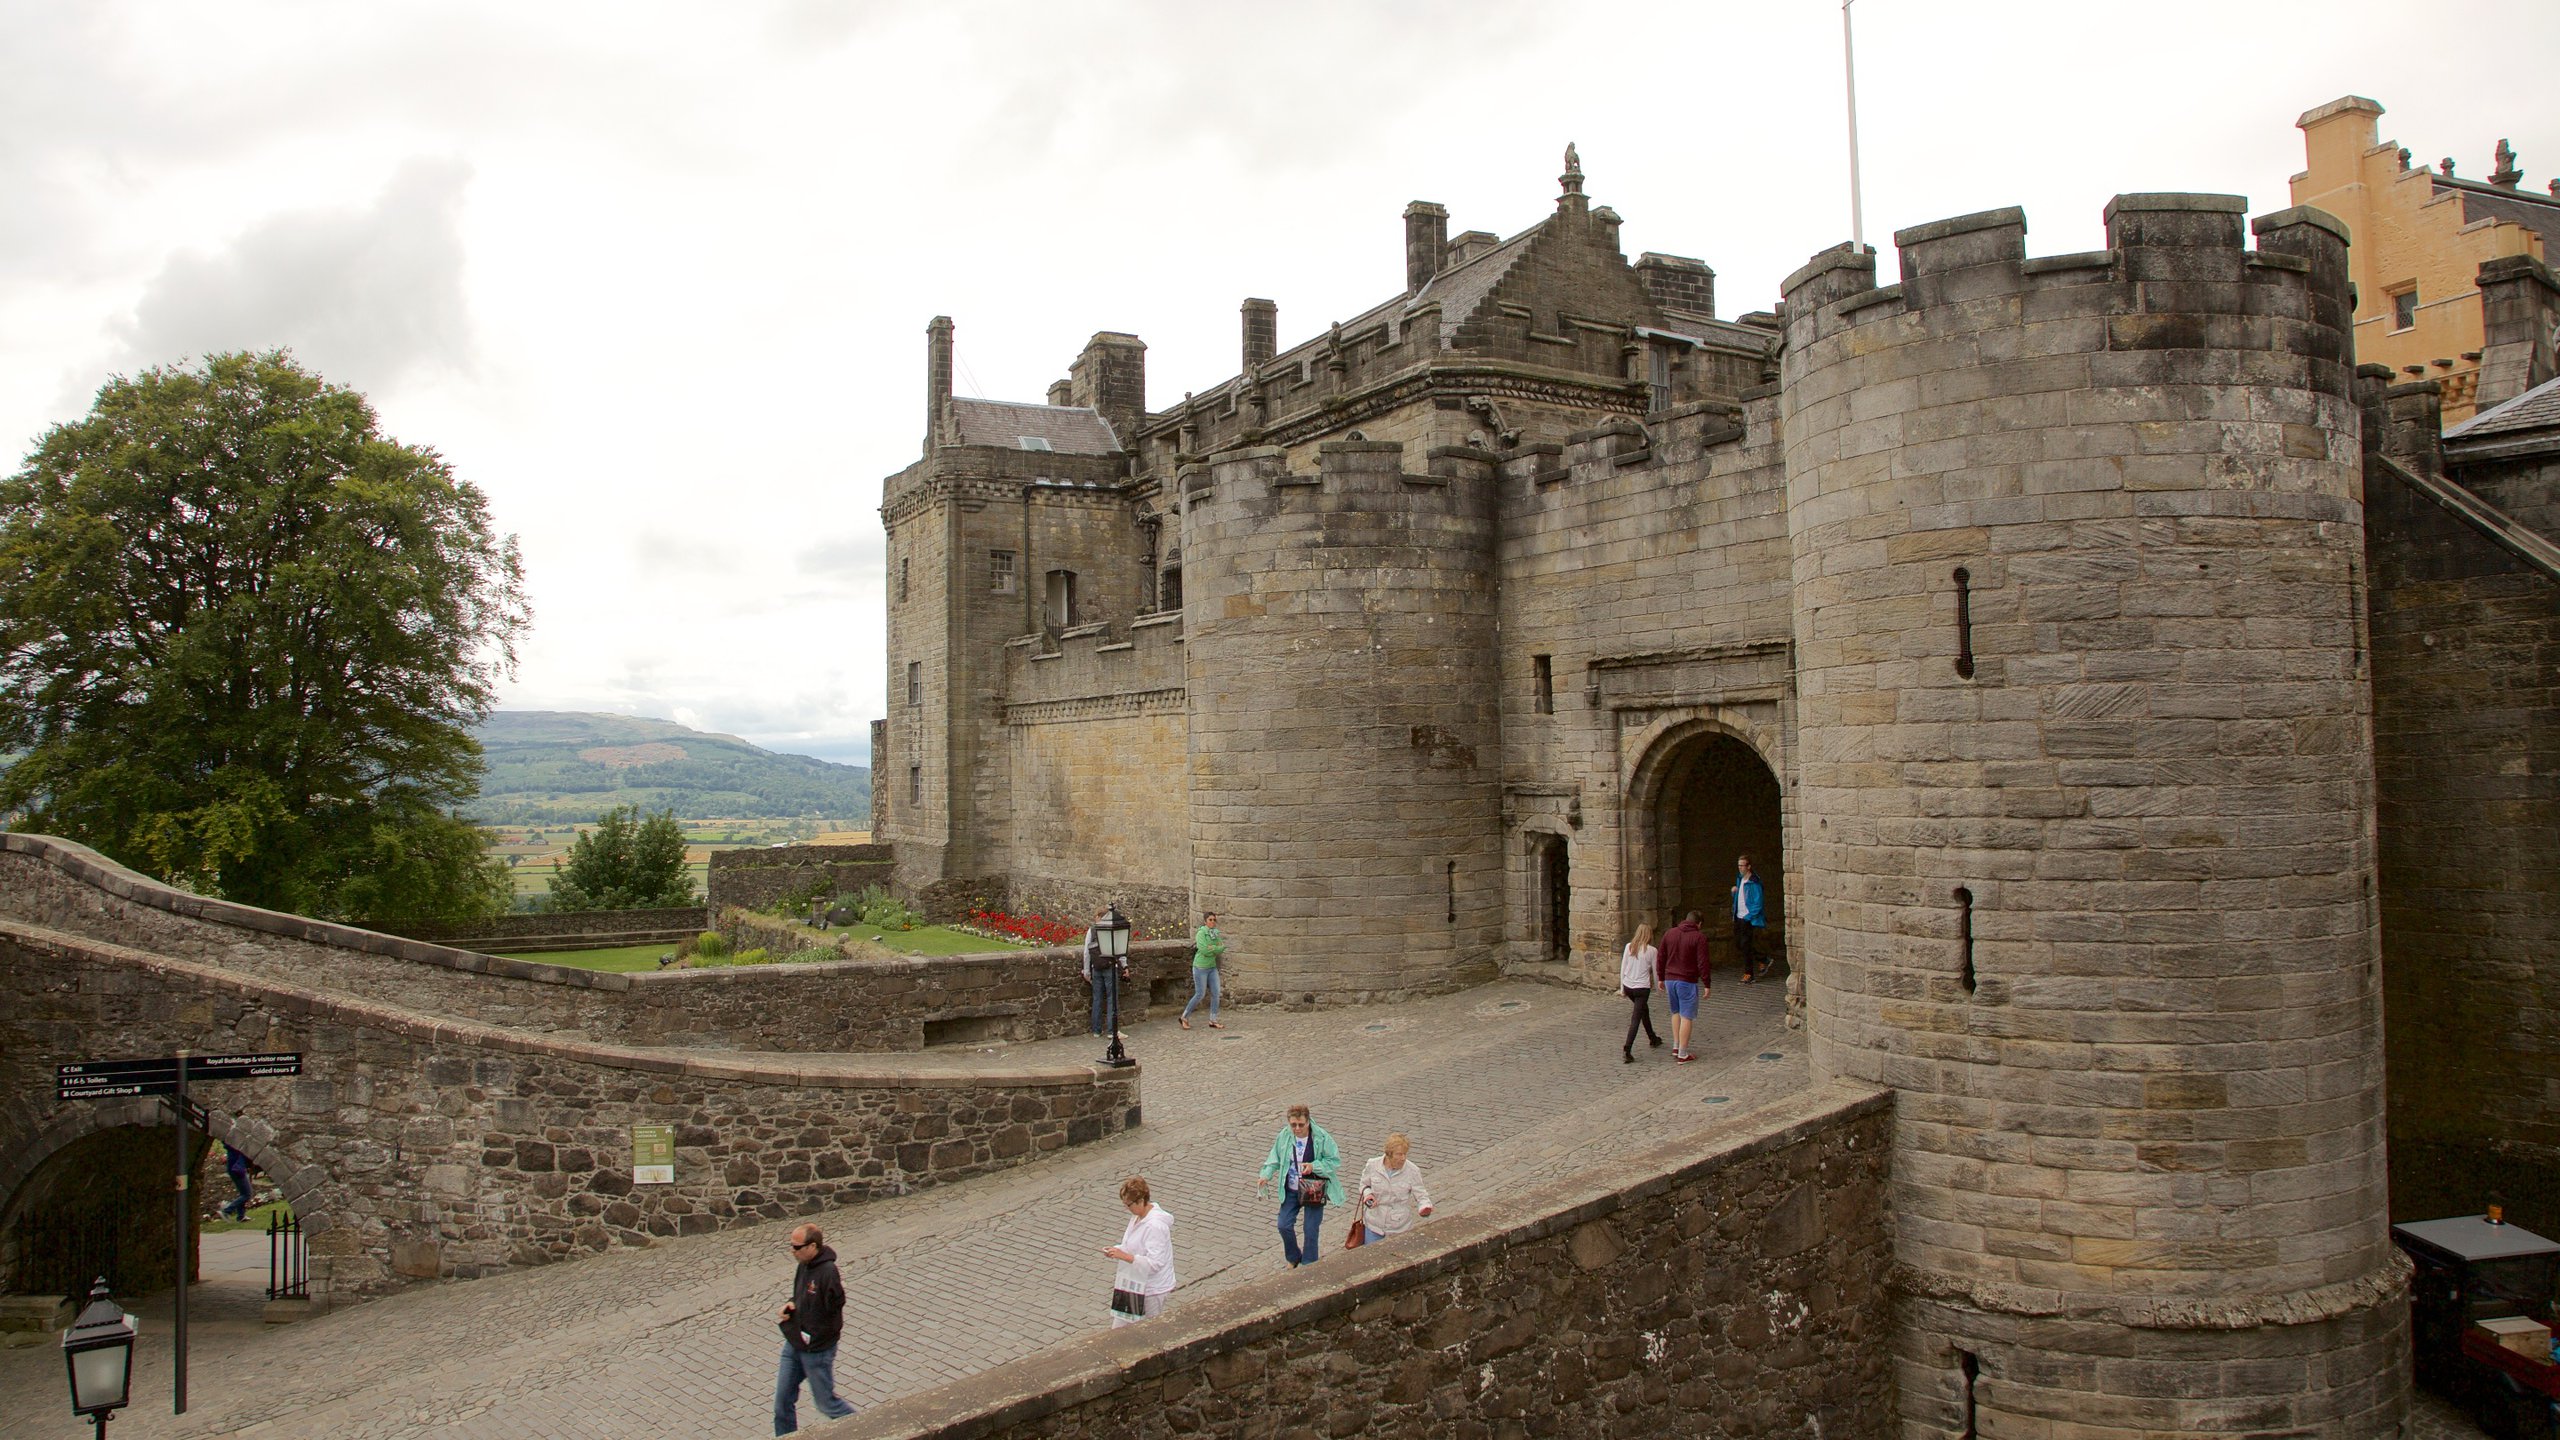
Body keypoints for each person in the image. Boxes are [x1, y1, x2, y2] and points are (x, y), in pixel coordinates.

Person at [773, 1223, 856, 1435]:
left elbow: (835, 1307)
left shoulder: (828, 1272)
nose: (793, 1251)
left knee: (827, 1404)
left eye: (797, 1247)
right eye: (791, 1246)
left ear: (812, 1246)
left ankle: (865, 1427)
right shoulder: (803, 1265)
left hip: (816, 1351)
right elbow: (801, 1297)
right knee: (782, 1403)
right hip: (794, 1345)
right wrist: (791, 1305)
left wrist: (815, 1333)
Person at [1255, 1103, 1341, 1266]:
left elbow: (1334, 1161)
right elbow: (1274, 1158)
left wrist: (1314, 1166)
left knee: (1310, 1229)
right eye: (1293, 1125)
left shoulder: (1321, 1137)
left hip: (1313, 1187)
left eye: (1301, 1125)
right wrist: (1265, 1175)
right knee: (1284, 1225)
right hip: (1291, 1189)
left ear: (1308, 1122)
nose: (1297, 1128)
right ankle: (1293, 1257)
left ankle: (1309, 1263)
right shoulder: (1285, 1136)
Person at [1102, 1175, 1176, 1326]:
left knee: (1148, 1329)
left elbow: (1155, 1263)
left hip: (1151, 1289)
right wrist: (1116, 1250)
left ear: (1141, 1201)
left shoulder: (1155, 1226)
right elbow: (1132, 1246)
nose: (1126, 1208)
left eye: (1129, 1205)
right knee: (1120, 1328)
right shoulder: (1137, 1216)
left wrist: (1124, 1256)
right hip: (1133, 1283)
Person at [1356, 1133, 1434, 1243]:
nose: (1403, 1158)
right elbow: (1364, 1185)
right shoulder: (1373, 1165)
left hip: (1400, 1226)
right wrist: (1368, 1194)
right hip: (1374, 1224)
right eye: (1399, 1154)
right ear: (1389, 1154)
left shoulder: (1412, 1170)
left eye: (1405, 1154)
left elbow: (1421, 1195)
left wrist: (1425, 1207)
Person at [1657, 910, 1710, 1063]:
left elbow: (1661, 956)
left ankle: (1676, 1045)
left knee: (1676, 1012)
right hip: (1686, 980)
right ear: (1698, 924)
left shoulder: (1669, 933)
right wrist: (1707, 983)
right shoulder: (1699, 937)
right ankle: (1683, 1053)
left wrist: (1660, 977)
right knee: (1687, 1015)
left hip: (1670, 979)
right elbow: (1703, 962)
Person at [1620, 921, 1663, 1063]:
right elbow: (1656, 972)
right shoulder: (1652, 951)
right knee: (1636, 1018)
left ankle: (1653, 1038)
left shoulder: (1629, 947)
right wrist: (1658, 988)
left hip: (1629, 986)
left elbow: (1623, 968)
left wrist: (1622, 988)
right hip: (1641, 989)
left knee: (1644, 1010)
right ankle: (1628, 1048)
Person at [1082, 906, 1126, 1037]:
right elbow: (1120, 950)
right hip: (1110, 967)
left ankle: (1096, 1030)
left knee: (1097, 999)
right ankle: (1112, 1031)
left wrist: (1086, 971)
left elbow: (1086, 952)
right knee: (1112, 999)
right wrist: (1125, 966)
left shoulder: (1092, 930)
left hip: (1096, 968)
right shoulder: (1112, 929)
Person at [1182, 911, 1225, 1030]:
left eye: (1214, 920)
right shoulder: (1201, 933)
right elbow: (1204, 950)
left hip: (1211, 967)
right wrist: (1214, 948)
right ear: (1205, 921)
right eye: (1210, 920)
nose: (1212, 922)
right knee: (1200, 994)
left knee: (1216, 993)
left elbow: (1221, 947)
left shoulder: (1215, 933)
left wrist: (1214, 948)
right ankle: (1184, 1017)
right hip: (1200, 967)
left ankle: (1213, 1019)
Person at [1734, 855, 1769, 983]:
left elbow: (1758, 902)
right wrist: (1734, 892)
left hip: (1748, 917)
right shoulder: (1740, 879)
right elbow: (1741, 897)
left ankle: (1749, 974)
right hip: (1739, 916)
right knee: (1740, 943)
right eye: (1739, 865)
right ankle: (1763, 959)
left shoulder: (1754, 882)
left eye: (1742, 865)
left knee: (1746, 945)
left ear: (1749, 866)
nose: (1740, 868)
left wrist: (1749, 916)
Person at [221, 1142, 255, 1221]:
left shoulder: (231, 1145)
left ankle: (241, 1216)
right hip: (237, 1170)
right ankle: (227, 1211)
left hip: (236, 1169)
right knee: (247, 1194)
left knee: (244, 1193)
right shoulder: (235, 1145)